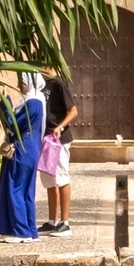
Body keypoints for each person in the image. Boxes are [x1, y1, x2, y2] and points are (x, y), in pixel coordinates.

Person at [0, 70, 45, 238]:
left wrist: (6, 105)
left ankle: (22, 232)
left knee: (16, 188)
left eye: (23, 80)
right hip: (31, 148)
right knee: (27, 191)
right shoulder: (38, 101)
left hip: (22, 149)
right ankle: (30, 230)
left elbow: (14, 124)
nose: (21, 84)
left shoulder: (32, 103)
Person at [39, 68, 79, 232]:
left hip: (58, 139)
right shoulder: (41, 84)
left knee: (61, 177)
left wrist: (60, 127)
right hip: (45, 138)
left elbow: (73, 110)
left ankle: (65, 223)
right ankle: (52, 221)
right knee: (49, 180)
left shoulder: (59, 84)